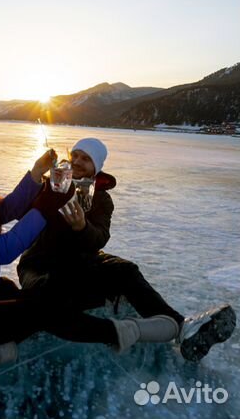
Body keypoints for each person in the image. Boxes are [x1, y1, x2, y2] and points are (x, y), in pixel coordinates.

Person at [0, 122, 184, 395]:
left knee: (9, 290)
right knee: (44, 309)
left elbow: (3, 211)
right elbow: (2, 250)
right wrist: (47, 201)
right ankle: (125, 332)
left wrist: (36, 174)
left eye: (86, 159)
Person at [18, 137, 236, 362]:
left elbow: (100, 236)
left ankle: (184, 328)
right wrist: (40, 181)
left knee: (126, 270)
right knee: (49, 291)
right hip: (40, 264)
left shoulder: (101, 199)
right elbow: (22, 210)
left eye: (85, 158)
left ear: (97, 167)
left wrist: (82, 227)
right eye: (75, 156)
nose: (77, 162)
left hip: (80, 262)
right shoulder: (52, 184)